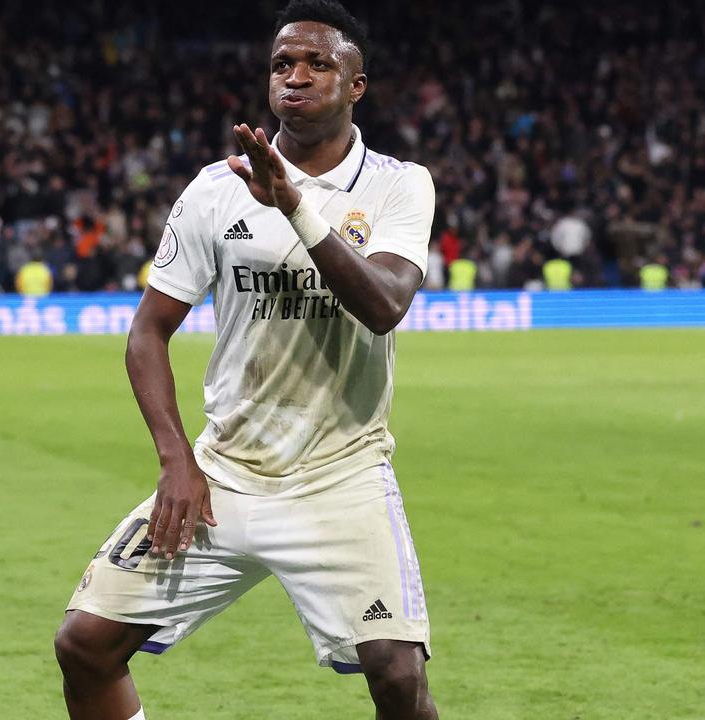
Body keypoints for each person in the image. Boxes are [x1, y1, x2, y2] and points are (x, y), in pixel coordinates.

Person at [53, 2, 438, 718]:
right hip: (223, 478)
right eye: (282, 64)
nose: (295, 76)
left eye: (318, 63)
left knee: (397, 674)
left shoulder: (397, 183)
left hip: (340, 477)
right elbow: (148, 332)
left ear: (357, 84)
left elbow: (385, 303)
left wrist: (294, 205)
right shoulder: (216, 187)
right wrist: (176, 459)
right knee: (84, 645)